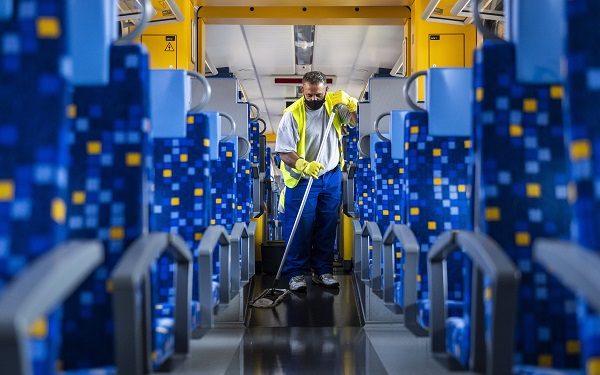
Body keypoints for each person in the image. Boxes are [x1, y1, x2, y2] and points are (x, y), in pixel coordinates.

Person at [275, 71, 358, 291]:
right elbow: (284, 152)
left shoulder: (334, 105)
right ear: (303, 90)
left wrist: (351, 104)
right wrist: (303, 165)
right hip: (302, 179)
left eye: (318, 95)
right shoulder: (292, 115)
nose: (314, 100)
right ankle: (296, 274)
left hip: (330, 176)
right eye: (310, 95)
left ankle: (323, 271)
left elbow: (355, 123)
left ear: (326, 91)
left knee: (327, 224)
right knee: (300, 226)